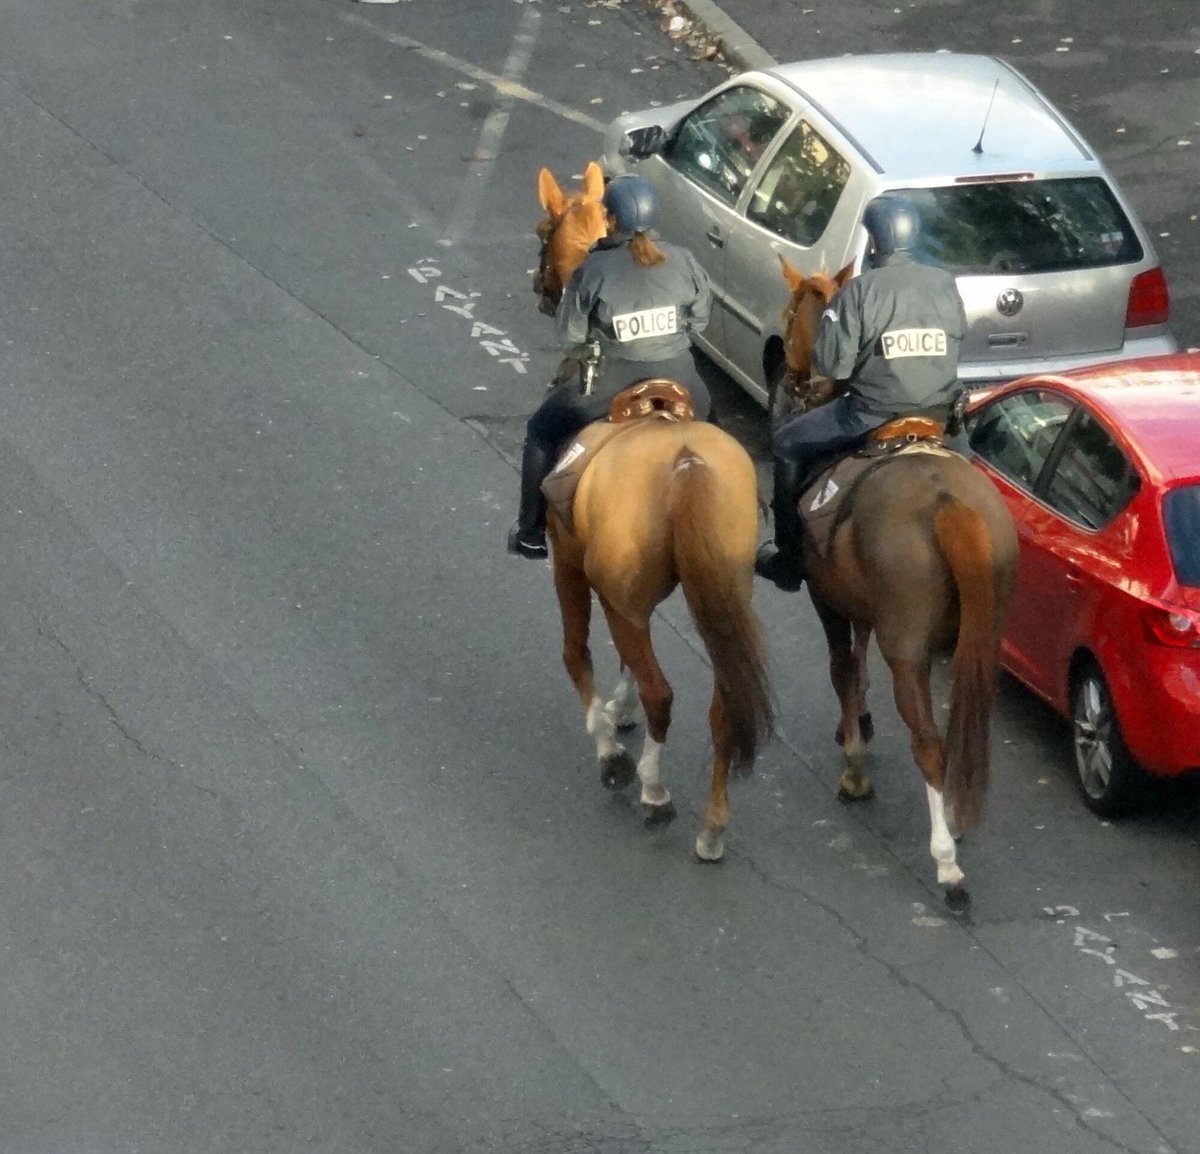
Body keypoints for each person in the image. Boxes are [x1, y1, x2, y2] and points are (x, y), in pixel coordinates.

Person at [754, 192, 969, 591]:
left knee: (786, 444)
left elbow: (834, 366)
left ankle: (788, 558)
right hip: (941, 415)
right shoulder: (944, 284)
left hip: (870, 414)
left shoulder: (859, 291)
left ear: (873, 241)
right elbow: (958, 340)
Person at [507, 173, 715, 558]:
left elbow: (569, 337)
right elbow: (700, 319)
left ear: (611, 220)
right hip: (682, 375)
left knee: (541, 431)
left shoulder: (594, 269)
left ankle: (531, 531)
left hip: (613, 380)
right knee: (716, 440)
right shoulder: (684, 259)